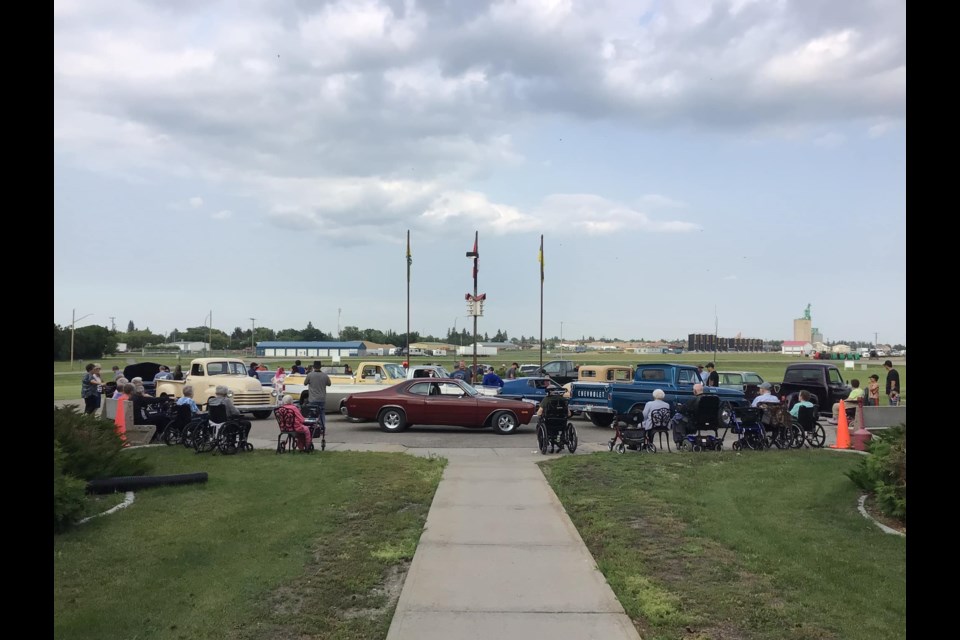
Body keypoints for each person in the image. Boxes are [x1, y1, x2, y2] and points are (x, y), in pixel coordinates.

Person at [303, 360, 332, 430]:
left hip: (313, 398)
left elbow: (305, 383)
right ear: (320, 367)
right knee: (322, 413)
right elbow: (329, 384)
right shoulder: (325, 375)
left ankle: (313, 427)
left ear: (313, 367)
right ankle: (322, 427)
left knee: (312, 413)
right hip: (322, 398)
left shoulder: (310, 375)